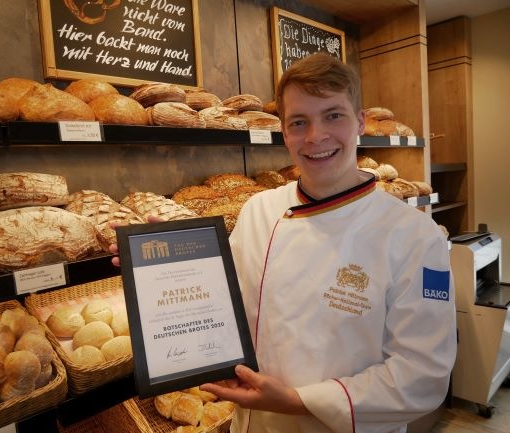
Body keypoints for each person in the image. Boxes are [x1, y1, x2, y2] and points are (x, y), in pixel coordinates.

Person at [111, 53, 457, 433]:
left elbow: (423, 375)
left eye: (333, 115)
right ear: (285, 132)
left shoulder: (415, 237)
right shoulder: (259, 209)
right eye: (299, 122)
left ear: (359, 123)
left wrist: (298, 402)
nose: (315, 136)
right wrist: (164, 265)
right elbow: (228, 303)